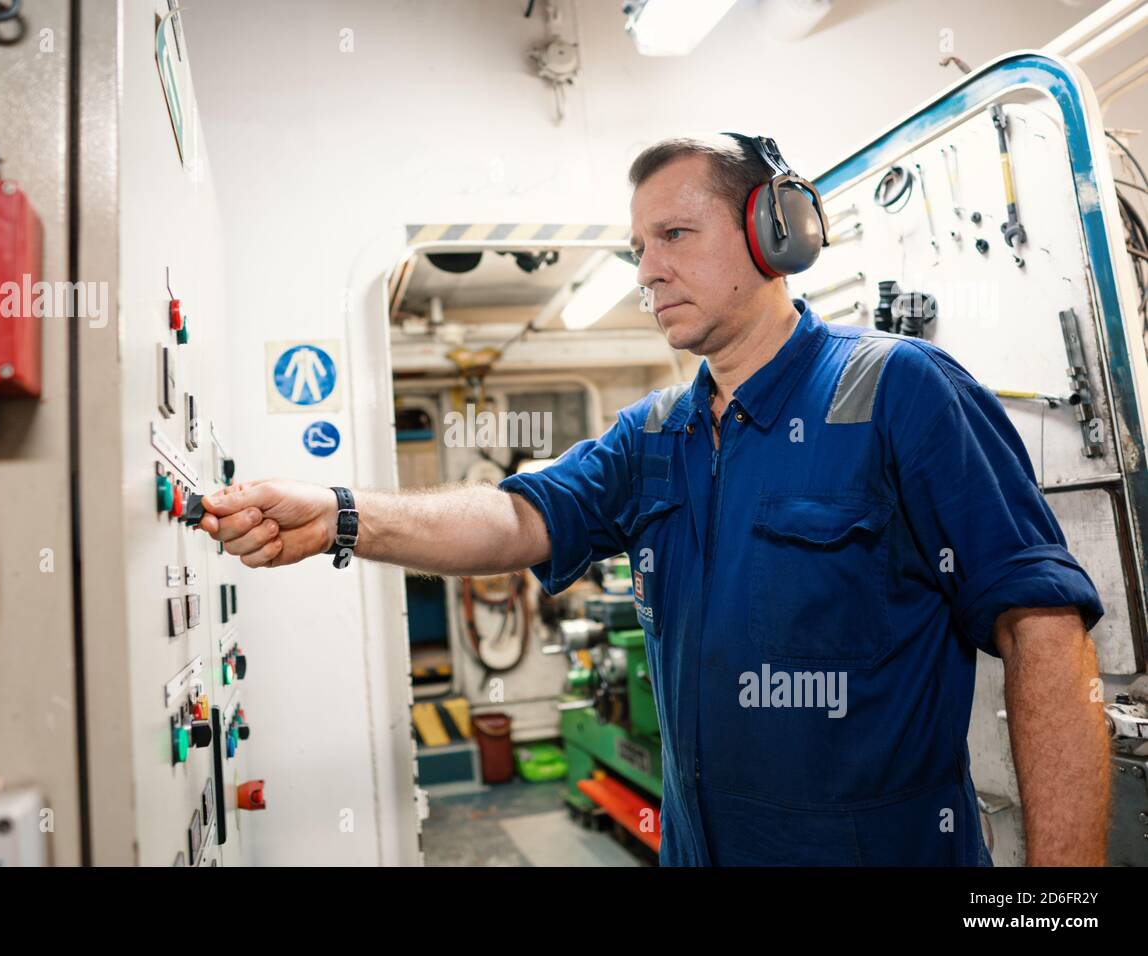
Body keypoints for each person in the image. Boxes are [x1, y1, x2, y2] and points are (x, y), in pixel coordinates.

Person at [198, 135, 1109, 866]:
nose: (648, 270)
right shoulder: (657, 430)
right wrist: (342, 514)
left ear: (772, 233)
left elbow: (1044, 630)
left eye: (675, 236)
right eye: (639, 249)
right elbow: (520, 516)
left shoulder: (900, 391)